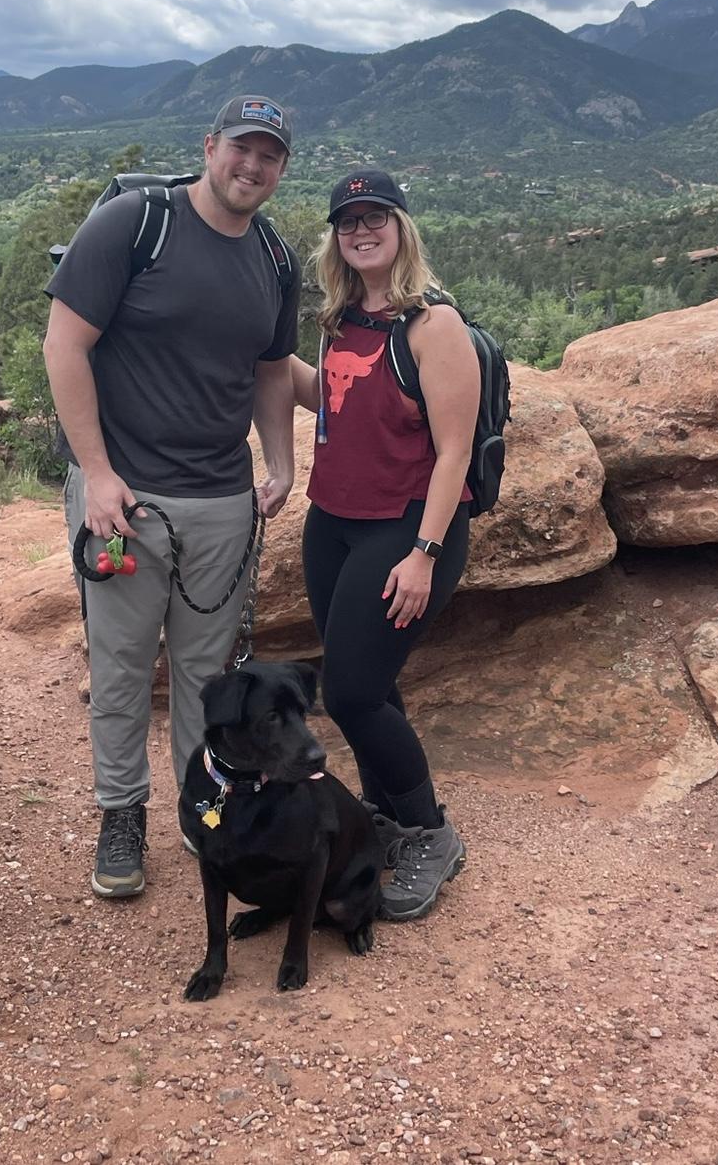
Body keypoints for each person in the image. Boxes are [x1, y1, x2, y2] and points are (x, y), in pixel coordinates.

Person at [43, 97, 300, 898]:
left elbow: (269, 371)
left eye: (269, 157)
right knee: (121, 668)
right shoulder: (135, 223)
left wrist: (282, 463)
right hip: (126, 498)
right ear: (209, 146)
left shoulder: (276, 260)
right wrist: (97, 473)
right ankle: (121, 814)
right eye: (240, 150)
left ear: (280, 170)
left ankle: (202, 805)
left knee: (204, 672)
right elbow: (65, 343)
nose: (250, 167)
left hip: (223, 502)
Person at [288, 169, 480, 921]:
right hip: (331, 521)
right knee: (371, 683)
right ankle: (386, 813)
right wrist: (262, 358)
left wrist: (424, 555)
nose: (361, 230)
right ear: (335, 238)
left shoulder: (434, 327)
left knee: (351, 691)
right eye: (347, 221)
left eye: (375, 217)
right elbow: (328, 399)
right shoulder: (340, 318)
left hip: (405, 527)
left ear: (401, 228)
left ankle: (431, 832)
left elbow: (455, 451)